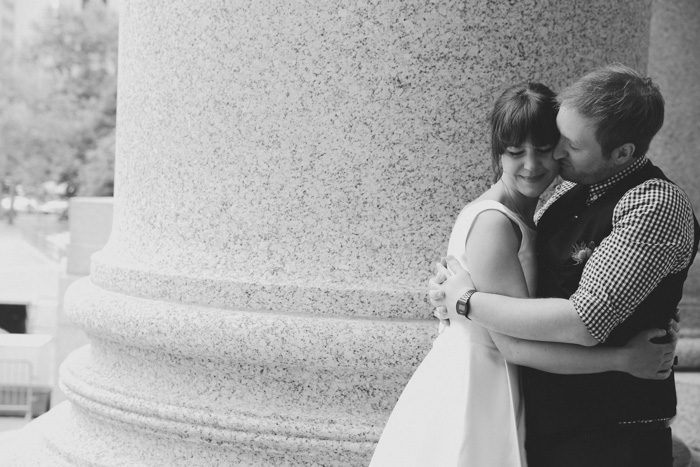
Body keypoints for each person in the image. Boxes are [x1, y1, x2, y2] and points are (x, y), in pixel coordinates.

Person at [370, 81, 678, 467]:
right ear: (498, 154)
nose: (534, 165)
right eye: (515, 153)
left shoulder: (551, 207)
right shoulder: (496, 221)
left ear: (622, 153)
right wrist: (622, 359)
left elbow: (579, 307)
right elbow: (511, 345)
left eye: (551, 149)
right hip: (481, 384)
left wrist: (652, 303)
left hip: (547, 401)